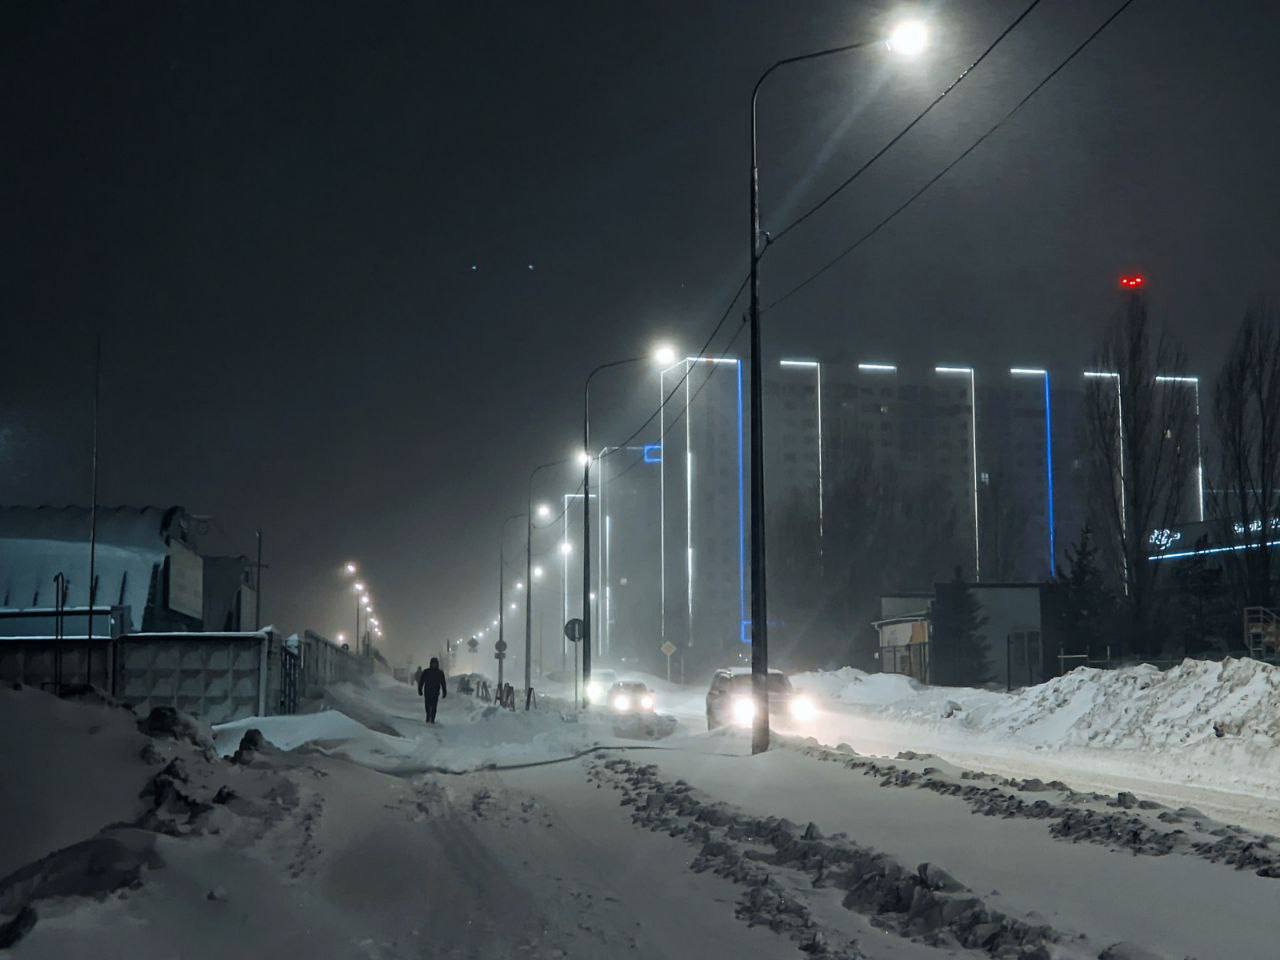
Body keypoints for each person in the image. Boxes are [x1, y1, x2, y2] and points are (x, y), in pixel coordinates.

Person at [417, 657, 447, 724]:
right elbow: (421, 681)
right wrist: (420, 689)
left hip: (435, 692)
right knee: (427, 705)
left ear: (437, 664)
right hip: (427, 691)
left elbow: (443, 683)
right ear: (430, 664)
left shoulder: (440, 673)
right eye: (433, 663)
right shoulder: (426, 672)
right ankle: (428, 716)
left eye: (435, 663)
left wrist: (444, 691)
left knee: (434, 706)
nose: (434, 665)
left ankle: (432, 718)